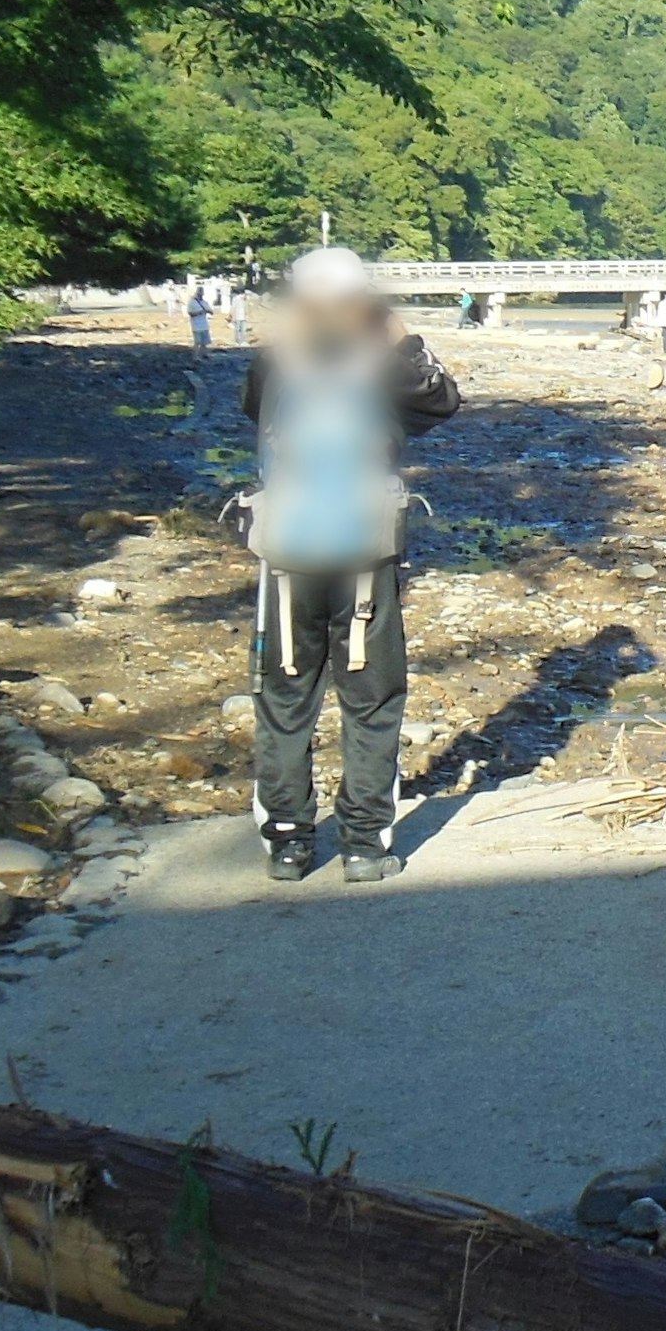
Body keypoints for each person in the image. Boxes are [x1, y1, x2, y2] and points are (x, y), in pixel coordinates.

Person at [241, 246, 460, 882]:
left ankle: (287, 841)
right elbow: (441, 401)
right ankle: (365, 844)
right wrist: (394, 330)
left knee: (284, 696)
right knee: (371, 697)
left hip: (286, 548)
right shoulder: (383, 370)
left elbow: (256, 414)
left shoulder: (274, 363)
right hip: (366, 546)